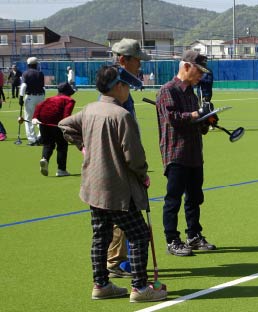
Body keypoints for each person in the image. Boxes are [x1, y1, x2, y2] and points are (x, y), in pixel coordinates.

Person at [58, 65, 167, 302]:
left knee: (101, 236)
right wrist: (143, 175)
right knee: (139, 235)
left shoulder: (89, 109)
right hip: (118, 189)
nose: (128, 89)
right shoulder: (121, 115)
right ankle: (139, 287)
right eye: (126, 85)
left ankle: (101, 284)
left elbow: (65, 124)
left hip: (93, 186)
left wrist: (83, 146)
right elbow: (134, 157)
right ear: (118, 86)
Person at [155, 50, 218, 256]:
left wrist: (207, 120)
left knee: (194, 197)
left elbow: (196, 125)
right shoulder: (168, 90)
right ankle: (172, 240)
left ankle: (193, 235)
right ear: (187, 66)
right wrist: (196, 114)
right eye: (199, 71)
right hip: (176, 153)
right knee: (173, 199)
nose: (201, 75)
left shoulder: (192, 92)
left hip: (193, 153)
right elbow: (173, 119)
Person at [107, 37, 151, 278]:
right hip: (120, 161)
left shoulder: (123, 81)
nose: (139, 65)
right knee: (121, 213)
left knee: (121, 214)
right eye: (136, 60)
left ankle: (119, 259)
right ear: (123, 59)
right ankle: (114, 262)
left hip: (125, 156)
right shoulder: (116, 84)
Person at [32, 82, 76, 177]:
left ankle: (45, 159)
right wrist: (68, 127)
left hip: (43, 124)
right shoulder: (69, 100)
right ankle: (61, 169)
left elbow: (39, 107)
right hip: (58, 126)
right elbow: (66, 115)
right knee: (62, 146)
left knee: (48, 144)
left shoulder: (49, 99)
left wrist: (35, 118)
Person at [19, 57, 45, 146]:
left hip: (30, 97)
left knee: (28, 119)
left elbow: (23, 86)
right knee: (41, 118)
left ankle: (32, 140)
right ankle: (41, 136)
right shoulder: (40, 73)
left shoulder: (25, 73)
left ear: (28, 64)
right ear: (36, 64)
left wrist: (21, 97)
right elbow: (43, 86)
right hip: (41, 97)